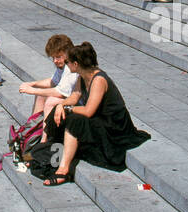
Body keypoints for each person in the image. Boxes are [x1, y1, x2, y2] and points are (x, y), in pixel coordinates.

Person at [39, 42, 150, 185]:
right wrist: (61, 105)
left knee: (74, 120)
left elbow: (88, 111)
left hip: (114, 126)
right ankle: (50, 149)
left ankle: (63, 171)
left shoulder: (99, 80)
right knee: (59, 111)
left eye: (67, 62)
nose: (66, 65)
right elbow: (74, 96)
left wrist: (67, 109)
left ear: (76, 63)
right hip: (100, 119)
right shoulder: (82, 75)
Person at [18, 34, 81, 120]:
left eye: (58, 57)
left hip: (80, 105)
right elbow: (53, 81)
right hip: (69, 98)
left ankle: (44, 132)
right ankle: (33, 127)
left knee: (51, 101)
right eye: (53, 57)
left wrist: (33, 91)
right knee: (41, 94)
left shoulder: (71, 67)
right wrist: (33, 84)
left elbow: (60, 92)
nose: (55, 61)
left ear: (68, 52)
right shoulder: (62, 64)